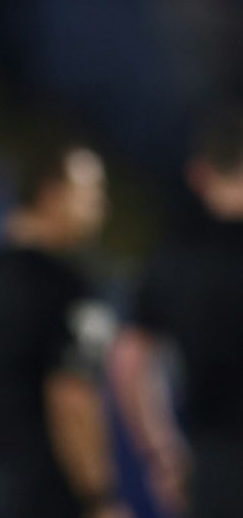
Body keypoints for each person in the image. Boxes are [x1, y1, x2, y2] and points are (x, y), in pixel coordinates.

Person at [0, 140, 130, 518]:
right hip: (55, 494)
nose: (101, 207)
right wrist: (98, 496)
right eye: (91, 193)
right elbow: (72, 394)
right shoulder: (75, 287)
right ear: (51, 194)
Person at [111, 106, 243, 518]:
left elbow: (128, 360)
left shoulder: (172, 257)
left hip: (214, 466)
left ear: (199, 173)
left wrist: (162, 455)